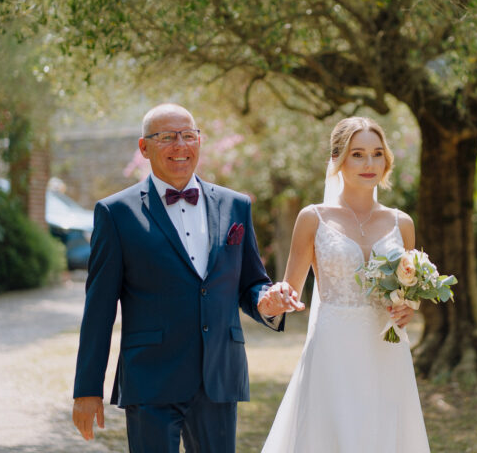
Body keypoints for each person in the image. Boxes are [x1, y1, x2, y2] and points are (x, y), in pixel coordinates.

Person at [71, 103, 304, 453]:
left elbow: (251, 283)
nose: (180, 145)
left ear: (199, 141)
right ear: (144, 147)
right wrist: (88, 388)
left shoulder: (235, 205)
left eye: (188, 135)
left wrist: (265, 299)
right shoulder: (115, 213)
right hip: (151, 377)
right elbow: (99, 309)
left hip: (219, 376)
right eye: (167, 137)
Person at [261, 117, 430, 452]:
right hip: (333, 347)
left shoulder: (402, 222)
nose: (369, 164)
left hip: (386, 349)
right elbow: (289, 289)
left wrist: (409, 307)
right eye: (357, 154)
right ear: (338, 159)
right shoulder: (313, 218)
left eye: (377, 153)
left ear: (387, 160)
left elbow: (410, 293)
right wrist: (278, 298)